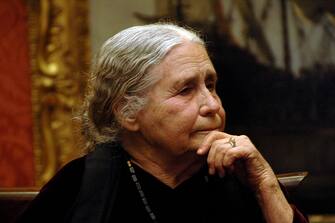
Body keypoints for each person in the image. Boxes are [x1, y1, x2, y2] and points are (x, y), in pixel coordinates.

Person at [17, 23, 308, 223]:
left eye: (211, 84)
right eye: (186, 90)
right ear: (128, 112)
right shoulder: (81, 185)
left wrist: (265, 185)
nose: (212, 105)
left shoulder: (240, 177)